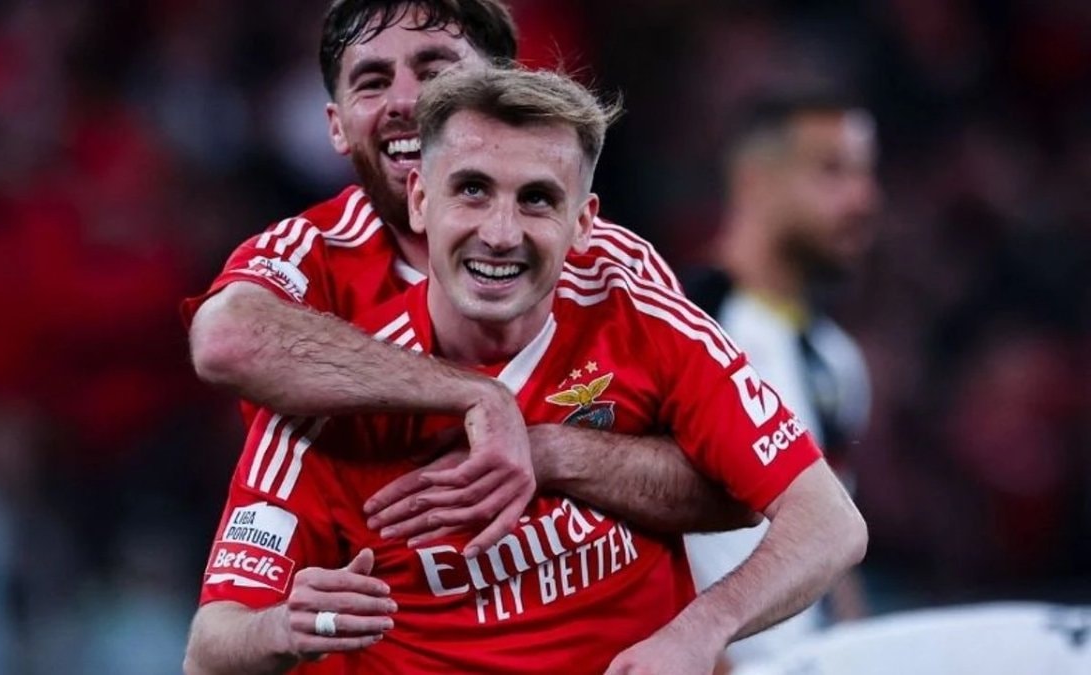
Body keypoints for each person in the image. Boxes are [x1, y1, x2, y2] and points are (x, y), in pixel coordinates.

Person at [183, 65, 867, 675]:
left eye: (537, 198)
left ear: (583, 222)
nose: (501, 233)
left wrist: (698, 632)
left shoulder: (640, 317)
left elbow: (831, 523)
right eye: (472, 190)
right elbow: (210, 647)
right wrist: (280, 627)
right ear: (419, 200)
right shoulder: (334, 399)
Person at [186, 0, 715, 565]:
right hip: (377, 611)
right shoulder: (311, 255)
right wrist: (476, 395)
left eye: (436, 72)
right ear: (337, 126)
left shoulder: (609, 263)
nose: (405, 101)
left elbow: (729, 489)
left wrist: (549, 452)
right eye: (373, 82)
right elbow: (225, 340)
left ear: (503, 90)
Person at [681, 89, 880, 666]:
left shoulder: (837, 359)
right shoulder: (684, 331)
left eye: (866, 173)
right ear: (754, 182)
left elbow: (836, 545)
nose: (865, 197)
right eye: (832, 171)